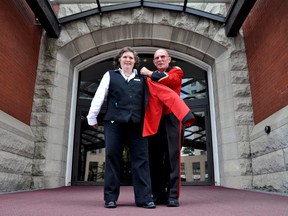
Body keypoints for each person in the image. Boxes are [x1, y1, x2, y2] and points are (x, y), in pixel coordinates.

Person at [87, 47, 155, 209]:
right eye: (125, 57)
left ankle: (144, 198)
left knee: (141, 160)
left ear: (135, 61)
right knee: (112, 158)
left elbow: (153, 98)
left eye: (131, 58)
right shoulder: (110, 75)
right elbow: (99, 96)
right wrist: (92, 116)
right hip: (114, 123)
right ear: (119, 60)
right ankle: (110, 198)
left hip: (137, 124)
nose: (128, 60)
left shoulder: (142, 78)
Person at [140, 49, 190, 207]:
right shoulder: (149, 77)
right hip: (154, 119)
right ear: (154, 62)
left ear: (169, 59)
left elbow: (168, 80)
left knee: (172, 157)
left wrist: (148, 72)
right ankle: (158, 194)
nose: (160, 59)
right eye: (157, 58)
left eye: (163, 57)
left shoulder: (176, 71)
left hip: (172, 118)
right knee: (154, 159)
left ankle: (173, 195)